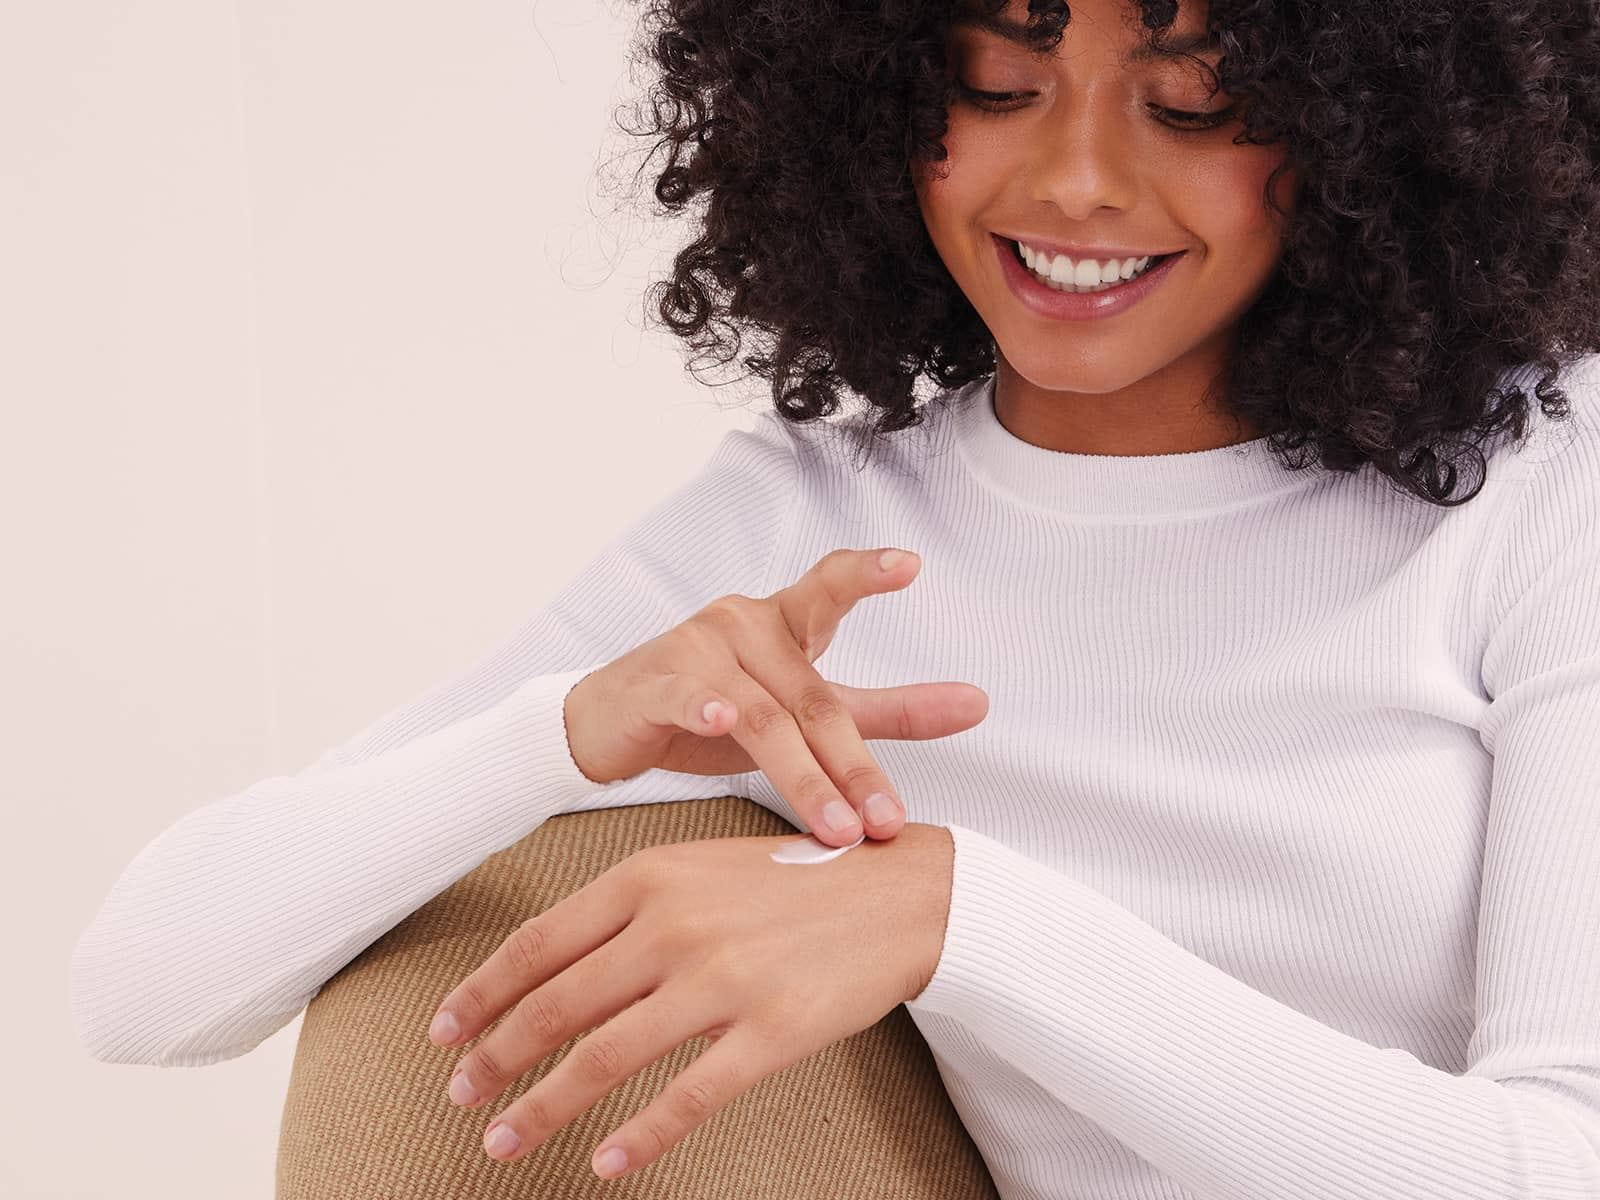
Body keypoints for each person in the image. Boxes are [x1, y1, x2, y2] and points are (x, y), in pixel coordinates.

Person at [71, 0, 1600, 1196]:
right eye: (1000, 76)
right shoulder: (823, 521)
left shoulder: (1546, 491)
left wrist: (965, 920)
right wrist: (562, 736)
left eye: (1198, 98)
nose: (1074, 177)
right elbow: (145, 985)